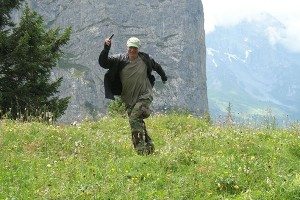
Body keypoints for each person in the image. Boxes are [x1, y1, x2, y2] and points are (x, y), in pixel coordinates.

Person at [98, 36, 167, 155]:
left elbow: (157, 66)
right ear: (127, 47)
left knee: (135, 118)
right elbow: (103, 63)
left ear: (138, 49)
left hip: (145, 95)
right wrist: (106, 49)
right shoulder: (119, 60)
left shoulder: (145, 59)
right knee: (136, 122)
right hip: (128, 99)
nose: (132, 50)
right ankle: (150, 147)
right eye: (130, 47)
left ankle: (141, 151)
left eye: (135, 48)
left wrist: (164, 77)